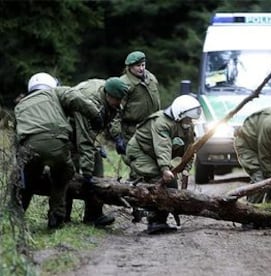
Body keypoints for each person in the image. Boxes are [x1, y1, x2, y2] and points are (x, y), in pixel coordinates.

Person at [14, 72, 104, 229]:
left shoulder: (21, 104)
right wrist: (95, 115)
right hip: (56, 142)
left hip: (28, 146)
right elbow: (76, 98)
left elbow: (17, 134)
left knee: (28, 181)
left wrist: (20, 161)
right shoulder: (56, 92)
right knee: (63, 174)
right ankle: (57, 216)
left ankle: (16, 216)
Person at [125, 95, 201, 234]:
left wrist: (186, 170)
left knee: (172, 185)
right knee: (157, 179)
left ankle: (161, 220)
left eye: (191, 119)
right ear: (179, 114)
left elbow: (189, 150)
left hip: (156, 154)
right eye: (187, 119)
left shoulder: (187, 127)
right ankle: (151, 219)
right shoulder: (161, 122)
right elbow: (163, 146)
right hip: (141, 152)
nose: (190, 122)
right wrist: (165, 169)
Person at [65, 77, 128, 227]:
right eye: (117, 100)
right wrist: (87, 173)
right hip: (69, 132)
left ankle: (94, 216)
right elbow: (84, 139)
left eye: (121, 100)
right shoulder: (89, 103)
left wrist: (117, 136)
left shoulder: (112, 92)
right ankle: (62, 216)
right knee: (68, 174)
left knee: (97, 174)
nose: (119, 103)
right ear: (108, 95)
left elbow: (112, 117)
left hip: (87, 133)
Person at [110, 51, 161, 159]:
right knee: (136, 161)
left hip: (152, 127)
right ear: (130, 67)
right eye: (138, 66)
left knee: (154, 159)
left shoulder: (151, 78)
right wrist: (117, 137)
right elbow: (115, 113)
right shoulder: (124, 84)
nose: (141, 68)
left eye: (143, 65)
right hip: (132, 130)